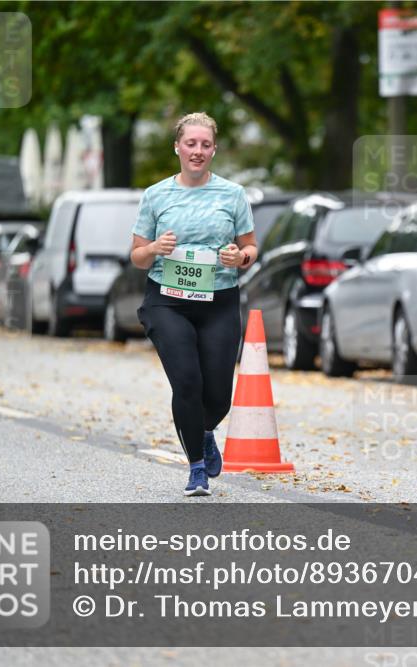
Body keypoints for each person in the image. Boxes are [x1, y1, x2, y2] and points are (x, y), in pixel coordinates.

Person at [131, 112, 257, 496]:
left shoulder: (233, 194)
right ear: (178, 148)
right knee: (187, 381)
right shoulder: (156, 196)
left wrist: (240, 257)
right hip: (167, 301)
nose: (197, 151)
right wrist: (155, 248)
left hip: (219, 300)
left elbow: (250, 247)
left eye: (205, 144)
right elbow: (137, 256)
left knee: (218, 397)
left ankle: (204, 430)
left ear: (214, 150)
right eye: (191, 143)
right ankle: (197, 469)